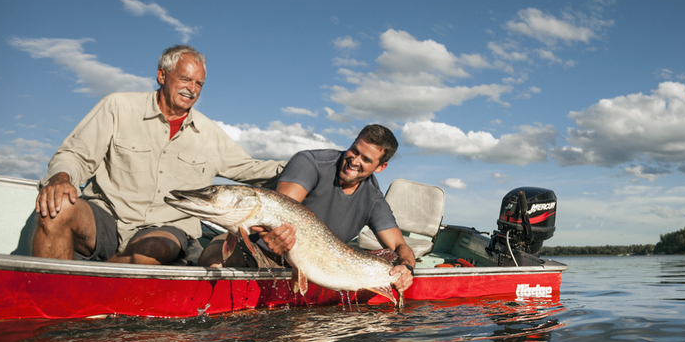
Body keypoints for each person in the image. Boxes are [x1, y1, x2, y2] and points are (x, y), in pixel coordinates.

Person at [32, 45, 285, 265]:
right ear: (162, 75)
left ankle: (86, 279)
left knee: (152, 251)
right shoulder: (117, 107)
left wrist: (312, 164)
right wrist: (61, 178)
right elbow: (75, 155)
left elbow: (254, 171)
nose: (192, 89)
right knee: (57, 207)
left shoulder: (210, 134)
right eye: (185, 79)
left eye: (199, 84)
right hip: (107, 218)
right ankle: (45, 302)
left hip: (166, 230)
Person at [200, 124, 415, 293]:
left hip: (313, 270)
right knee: (214, 257)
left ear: (380, 167)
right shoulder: (310, 162)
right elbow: (280, 210)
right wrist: (274, 235)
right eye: (354, 150)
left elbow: (400, 246)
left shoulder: (374, 199)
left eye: (366, 159)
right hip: (257, 249)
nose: (354, 160)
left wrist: (407, 269)